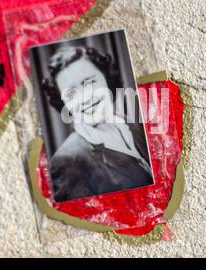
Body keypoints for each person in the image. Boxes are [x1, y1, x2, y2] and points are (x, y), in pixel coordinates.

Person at [41, 42, 153, 202]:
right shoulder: (65, 165)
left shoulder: (137, 126)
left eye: (90, 82)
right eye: (71, 94)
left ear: (107, 79)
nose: (85, 97)